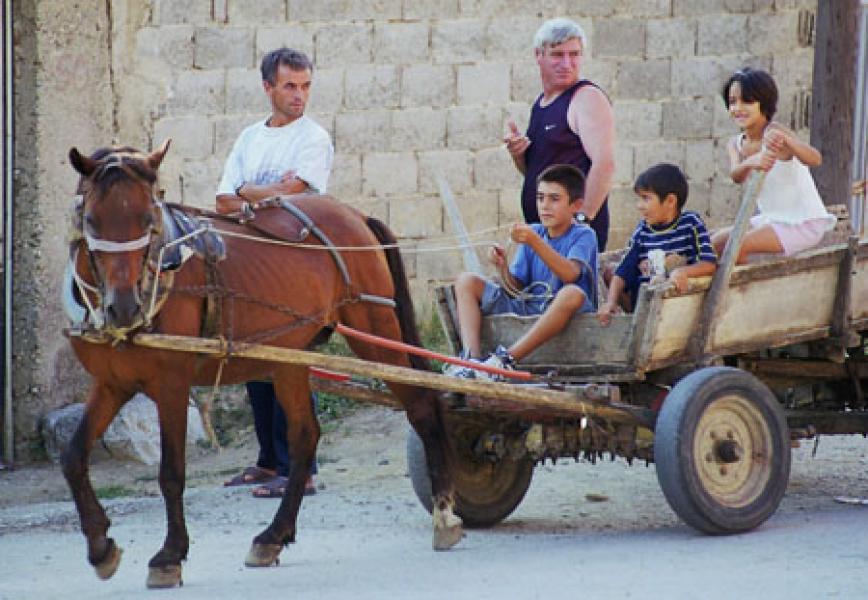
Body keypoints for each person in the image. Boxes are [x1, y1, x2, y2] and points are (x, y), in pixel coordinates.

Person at [216, 47, 334, 498]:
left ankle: (300, 467)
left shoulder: (313, 138)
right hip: (251, 261)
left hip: (295, 263)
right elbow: (223, 198)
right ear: (268, 87)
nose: (299, 95)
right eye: (289, 86)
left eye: (305, 86)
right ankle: (269, 460)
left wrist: (250, 192)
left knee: (288, 361)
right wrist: (268, 191)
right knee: (254, 358)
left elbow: (298, 198)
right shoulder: (249, 137)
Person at [447, 164, 598, 378]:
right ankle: (471, 361)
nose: (545, 206)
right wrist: (502, 266)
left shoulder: (583, 235)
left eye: (554, 199)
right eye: (540, 198)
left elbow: (570, 274)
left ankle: (504, 361)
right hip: (527, 307)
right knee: (466, 280)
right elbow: (516, 286)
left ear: (576, 205)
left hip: (563, 314)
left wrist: (535, 242)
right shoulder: (535, 232)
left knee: (572, 293)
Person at [503, 17, 615, 251]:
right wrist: (519, 155)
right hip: (543, 235)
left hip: (573, 238)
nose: (567, 63)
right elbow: (538, 173)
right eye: (557, 54)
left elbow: (605, 165)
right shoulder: (541, 104)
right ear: (538, 55)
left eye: (574, 54)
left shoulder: (586, 98)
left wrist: (581, 222)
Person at [712, 67, 835, 264]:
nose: (738, 108)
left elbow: (815, 159)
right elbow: (736, 175)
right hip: (770, 219)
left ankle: (742, 291)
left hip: (802, 222)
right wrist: (752, 161)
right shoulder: (735, 144)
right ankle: (732, 286)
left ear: (764, 103)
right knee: (713, 244)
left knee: (737, 245)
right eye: (733, 102)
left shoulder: (775, 131)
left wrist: (788, 142)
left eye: (747, 101)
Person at [598, 164, 717, 325]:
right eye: (640, 198)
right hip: (646, 304)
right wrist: (611, 302)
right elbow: (622, 272)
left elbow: (709, 263)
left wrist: (683, 272)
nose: (639, 205)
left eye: (646, 198)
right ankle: (636, 318)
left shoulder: (690, 224)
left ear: (670, 201)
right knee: (611, 270)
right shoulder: (643, 231)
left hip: (679, 306)